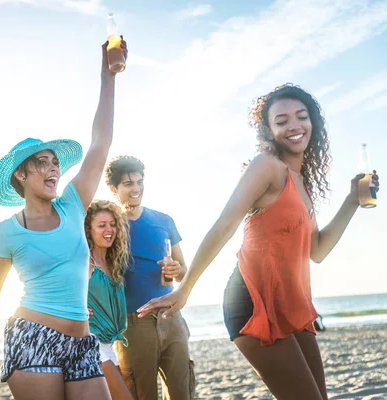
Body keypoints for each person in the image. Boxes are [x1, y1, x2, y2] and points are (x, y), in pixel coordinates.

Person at [138, 83, 380, 400]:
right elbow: (225, 223)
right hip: (254, 302)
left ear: (313, 123)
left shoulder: (301, 181)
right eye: (282, 121)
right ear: (268, 130)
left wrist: (351, 201)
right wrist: (185, 289)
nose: (294, 126)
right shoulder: (267, 166)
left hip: (291, 307)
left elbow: (317, 250)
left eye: (301, 117)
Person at [0, 38, 128, 400]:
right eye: (42, 163)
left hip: (83, 342)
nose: (53, 168)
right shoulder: (5, 233)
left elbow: (101, 142)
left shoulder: (72, 204)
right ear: (20, 175)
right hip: (33, 339)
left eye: (55, 162)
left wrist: (108, 74)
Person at [105, 156, 196, 400]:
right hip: (134, 322)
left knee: (182, 392)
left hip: (171, 316)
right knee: (142, 394)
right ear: (114, 189)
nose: (136, 188)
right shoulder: (107, 227)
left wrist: (177, 271)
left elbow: (185, 272)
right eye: (128, 184)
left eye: (139, 181)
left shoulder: (164, 220)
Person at [85, 200, 133, 400]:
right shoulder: (85, 261)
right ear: (89, 229)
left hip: (109, 345)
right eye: (102, 225)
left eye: (113, 224)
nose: (109, 229)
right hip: (91, 344)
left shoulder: (113, 262)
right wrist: (76, 307)